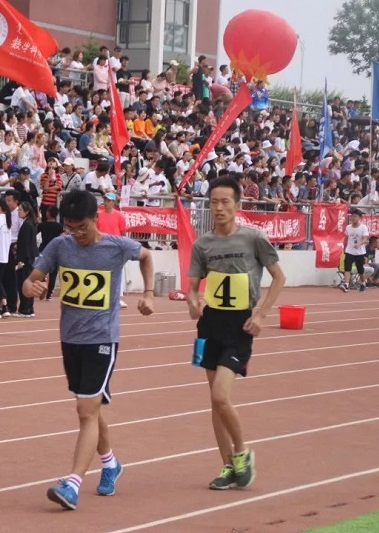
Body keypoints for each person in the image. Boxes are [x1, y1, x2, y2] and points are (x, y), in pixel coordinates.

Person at [22, 190, 155, 510]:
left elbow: (147, 256)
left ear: (96, 219)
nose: (76, 234)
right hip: (70, 339)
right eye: (70, 227)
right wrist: (31, 287)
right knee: (91, 410)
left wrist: (149, 293)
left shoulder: (116, 246)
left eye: (81, 227)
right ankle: (111, 464)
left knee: (85, 410)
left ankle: (72, 484)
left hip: (102, 339)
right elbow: (30, 281)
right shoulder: (60, 246)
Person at [186, 177, 285, 491]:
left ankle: (242, 453)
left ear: (237, 205)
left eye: (225, 202)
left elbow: (278, 277)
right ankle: (228, 466)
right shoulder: (203, 244)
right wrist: (192, 301)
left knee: (221, 396)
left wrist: (262, 314)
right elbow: (192, 287)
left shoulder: (254, 239)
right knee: (215, 403)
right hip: (210, 324)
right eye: (214, 202)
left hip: (240, 326)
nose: (219, 208)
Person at [15, 201, 39, 318]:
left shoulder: (27, 225)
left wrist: (20, 259)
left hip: (26, 258)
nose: (18, 212)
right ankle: (29, 308)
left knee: (24, 283)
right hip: (30, 257)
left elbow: (25, 244)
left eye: (20, 210)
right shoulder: (30, 223)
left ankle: (25, 309)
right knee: (29, 282)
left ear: (27, 211)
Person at [339, 207, 369, 293]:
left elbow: (365, 238)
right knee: (347, 268)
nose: (353, 218)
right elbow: (346, 238)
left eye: (355, 216)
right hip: (349, 251)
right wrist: (344, 248)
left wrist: (359, 244)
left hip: (360, 252)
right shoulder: (348, 227)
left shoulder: (363, 227)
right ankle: (346, 284)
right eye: (352, 216)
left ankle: (363, 283)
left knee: (360, 270)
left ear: (359, 218)